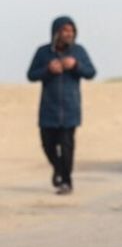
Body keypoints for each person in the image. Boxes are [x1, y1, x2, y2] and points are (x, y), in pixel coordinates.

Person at [27, 17, 96, 195]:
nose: (69, 34)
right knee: (47, 145)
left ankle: (66, 181)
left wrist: (75, 65)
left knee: (67, 148)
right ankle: (58, 169)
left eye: (71, 31)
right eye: (65, 30)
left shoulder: (78, 51)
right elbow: (31, 75)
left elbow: (91, 72)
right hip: (48, 109)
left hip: (70, 108)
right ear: (56, 32)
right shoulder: (43, 52)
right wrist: (48, 70)